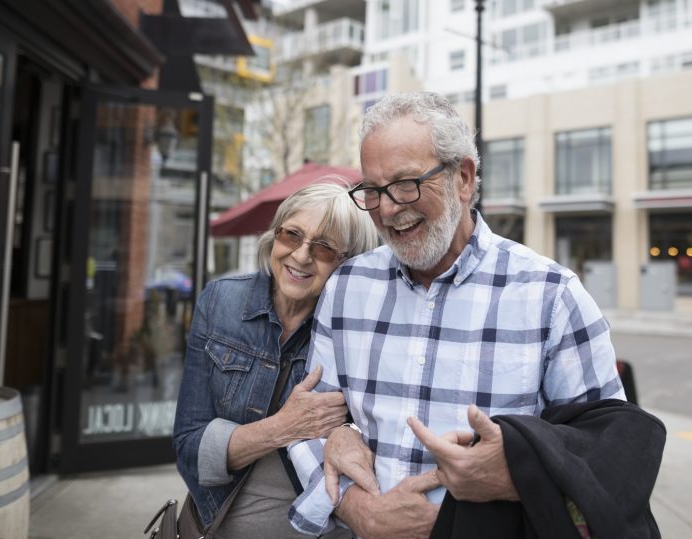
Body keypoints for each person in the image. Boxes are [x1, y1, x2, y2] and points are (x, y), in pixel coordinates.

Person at [287, 93, 626, 539]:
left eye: (407, 183)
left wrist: (513, 480)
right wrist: (357, 509)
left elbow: (608, 455)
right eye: (372, 190)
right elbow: (309, 424)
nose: (388, 209)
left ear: (463, 178)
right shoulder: (348, 288)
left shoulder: (550, 296)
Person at [173, 181, 378, 538]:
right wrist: (282, 428)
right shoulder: (221, 302)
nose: (300, 256)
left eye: (325, 248)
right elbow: (189, 448)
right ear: (274, 235)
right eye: (292, 235)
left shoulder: (360, 331)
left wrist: (349, 431)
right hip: (216, 528)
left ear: (349, 263)